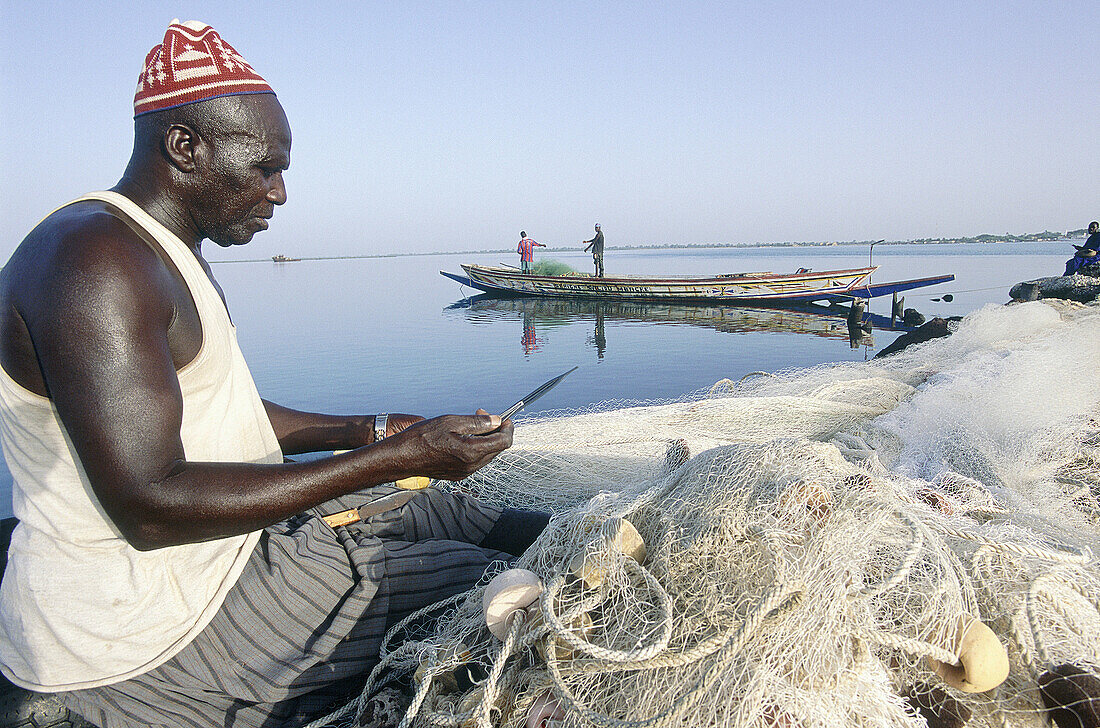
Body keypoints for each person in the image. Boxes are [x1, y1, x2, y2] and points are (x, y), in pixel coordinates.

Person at [0, 21, 547, 728]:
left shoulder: (160, 249)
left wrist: (370, 429)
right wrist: (398, 457)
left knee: (428, 505)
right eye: (264, 168)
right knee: (483, 591)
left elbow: (210, 409)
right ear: (185, 146)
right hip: (153, 628)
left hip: (218, 557)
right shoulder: (95, 263)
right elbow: (149, 504)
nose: (281, 193)